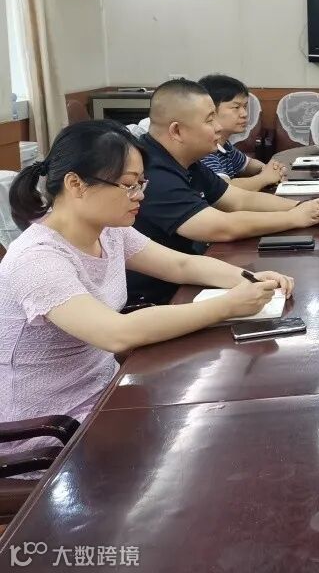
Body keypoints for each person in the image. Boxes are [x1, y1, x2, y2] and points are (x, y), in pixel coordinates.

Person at [0, 120, 295, 471]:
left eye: (141, 183)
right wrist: (227, 306)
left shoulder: (108, 231)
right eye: (128, 185)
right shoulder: (37, 259)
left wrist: (248, 278)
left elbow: (181, 265)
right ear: (76, 184)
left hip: (107, 395)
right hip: (48, 432)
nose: (139, 195)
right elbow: (116, 333)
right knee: (211, 450)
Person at [127, 79, 319, 306]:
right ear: (177, 131)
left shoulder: (186, 160)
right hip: (155, 297)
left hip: (187, 273)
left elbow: (238, 199)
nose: (218, 127)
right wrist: (294, 218)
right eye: (209, 120)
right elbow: (220, 227)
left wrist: (300, 207)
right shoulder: (152, 172)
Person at [197, 74, 287, 191]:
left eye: (245, 107)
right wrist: (264, 178)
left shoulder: (224, 144)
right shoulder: (205, 150)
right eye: (236, 107)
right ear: (211, 110)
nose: (244, 114)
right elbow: (224, 189)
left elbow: (247, 164)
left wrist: (270, 169)